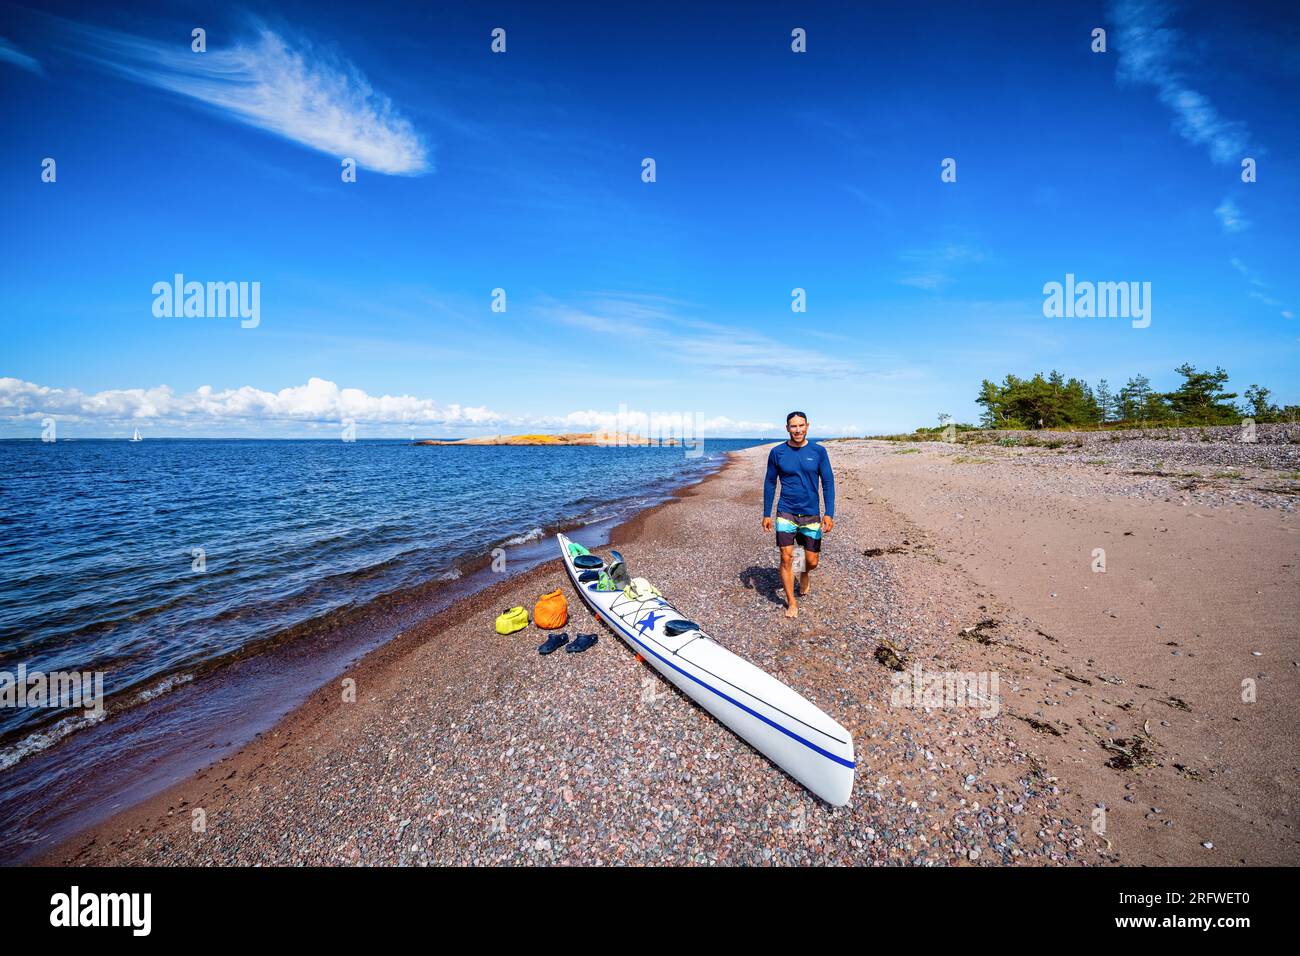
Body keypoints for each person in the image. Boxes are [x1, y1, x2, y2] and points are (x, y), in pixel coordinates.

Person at [761, 411, 835, 618]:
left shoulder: (819, 451)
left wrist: (829, 513)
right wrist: (766, 513)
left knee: (811, 561)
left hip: (811, 513)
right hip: (786, 511)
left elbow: (828, 483)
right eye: (793, 426)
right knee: (786, 557)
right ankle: (791, 602)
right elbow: (769, 482)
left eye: (801, 425)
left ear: (807, 426)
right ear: (787, 428)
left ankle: (804, 573)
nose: (797, 430)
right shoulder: (777, 452)